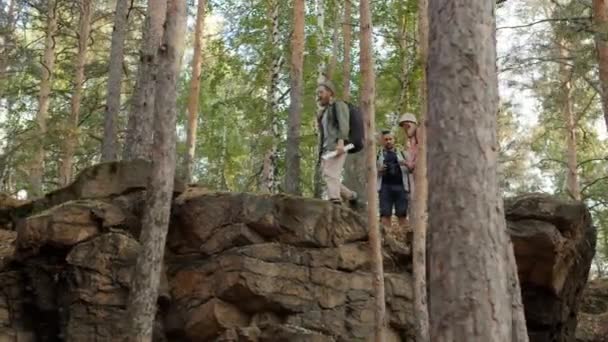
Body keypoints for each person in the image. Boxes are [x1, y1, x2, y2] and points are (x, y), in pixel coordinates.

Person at [316, 80, 359, 206]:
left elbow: (344, 124)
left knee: (331, 173)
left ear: (330, 92)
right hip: (326, 148)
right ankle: (351, 196)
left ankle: (335, 201)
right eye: (318, 93)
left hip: (339, 145)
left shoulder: (339, 105)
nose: (319, 95)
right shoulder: (325, 111)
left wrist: (341, 142)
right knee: (328, 175)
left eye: (321, 92)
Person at [377, 130, 410, 228]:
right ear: (382, 141)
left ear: (394, 140)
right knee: (385, 214)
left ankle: (404, 238)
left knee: (402, 214)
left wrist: (405, 163)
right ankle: (387, 239)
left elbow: (412, 168)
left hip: (401, 187)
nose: (388, 141)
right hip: (385, 187)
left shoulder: (403, 153)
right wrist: (379, 170)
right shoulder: (378, 155)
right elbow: (370, 172)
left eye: (390, 139)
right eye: (386, 139)